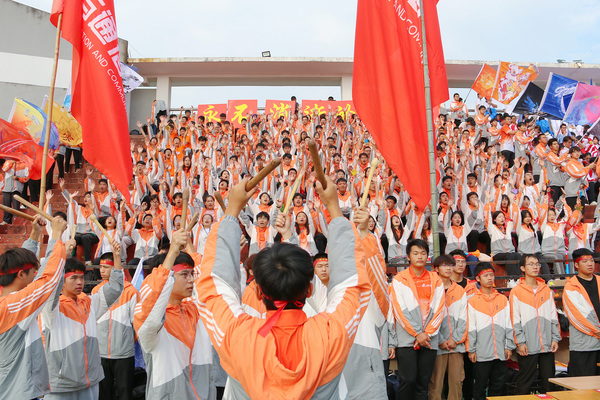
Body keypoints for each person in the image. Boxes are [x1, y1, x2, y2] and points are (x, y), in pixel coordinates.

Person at [196, 176, 370, 399]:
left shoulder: (239, 335)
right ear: (310, 290)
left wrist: (232, 211)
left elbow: (214, 285)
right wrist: (335, 209)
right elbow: (351, 283)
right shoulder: (330, 333)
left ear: (258, 292)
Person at [133, 230, 214, 400]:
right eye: (184, 274)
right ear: (168, 278)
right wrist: (171, 253)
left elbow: (208, 283)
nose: (191, 280)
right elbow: (152, 299)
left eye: (192, 274)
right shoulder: (151, 321)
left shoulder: (196, 310)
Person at [42, 239, 124, 400]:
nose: (80, 282)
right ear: (61, 280)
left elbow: (115, 288)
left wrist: (117, 257)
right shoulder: (52, 308)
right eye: (73, 278)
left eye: (81, 277)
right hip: (61, 386)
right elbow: (50, 287)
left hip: (90, 381)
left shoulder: (89, 303)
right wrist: (61, 257)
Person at [0, 215, 70, 400]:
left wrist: (35, 234)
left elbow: (21, 266)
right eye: (33, 271)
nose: (36, 274)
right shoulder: (14, 305)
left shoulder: (6, 296)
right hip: (16, 393)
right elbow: (49, 279)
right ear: (21, 275)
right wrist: (56, 236)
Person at [390, 238, 444, 400]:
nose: (420, 256)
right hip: (407, 340)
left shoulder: (436, 279)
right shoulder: (399, 279)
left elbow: (439, 310)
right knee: (407, 380)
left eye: (423, 253)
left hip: (429, 339)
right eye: (415, 253)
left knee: (423, 384)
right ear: (408, 256)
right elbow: (399, 311)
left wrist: (426, 334)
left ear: (428, 256)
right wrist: (417, 333)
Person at [509, 254, 560, 394]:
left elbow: (553, 316)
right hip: (528, 345)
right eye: (531, 264)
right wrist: (520, 342)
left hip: (547, 344)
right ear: (522, 268)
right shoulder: (516, 291)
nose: (535, 267)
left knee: (549, 383)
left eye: (537, 264)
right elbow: (514, 319)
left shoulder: (546, 289)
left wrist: (555, 338)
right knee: (525, 383)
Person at [93, 251, 139, 400]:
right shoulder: (96, 290)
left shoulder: (130, 291)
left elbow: (136, 322)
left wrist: (127, 342)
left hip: (123, 353)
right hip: (101, 352)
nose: (102, 270)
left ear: (116, 268)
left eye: (106, 267)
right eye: (100, 267)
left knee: (124, 392)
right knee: (103, 393)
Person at [467, 262, 515, 400]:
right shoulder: (473, 301)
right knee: (479, 388)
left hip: (500, 351)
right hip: (481, 353)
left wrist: (508, 346)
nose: (489, 278)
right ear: (478, 279)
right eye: (486, 275)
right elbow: (471, 328)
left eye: (491, 275)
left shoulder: (502, 299)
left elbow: (508, 324)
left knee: (498, 387)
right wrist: (471, 349)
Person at [428, 254, 467, 400]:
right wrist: (440, 340)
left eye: (451, 265)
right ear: (436, 269)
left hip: (456, 345)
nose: (449, 268)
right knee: (435, 384)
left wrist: (455, 339)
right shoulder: (431, 289)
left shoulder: (459, 290)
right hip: (437, 345)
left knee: (456, 383)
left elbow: (464, 317)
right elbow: (428, 318)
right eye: (444, 265)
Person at [562, 248, 600, 376]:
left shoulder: (599, 281)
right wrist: (597, 331)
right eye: (585, 261)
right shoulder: (571, 286)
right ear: (576, 265)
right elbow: (577, 315)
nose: (590, 264)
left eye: (591, 260)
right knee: (583, 382)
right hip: (583, 344)